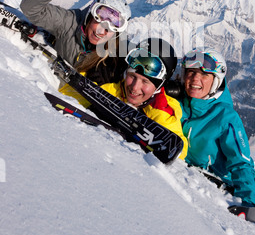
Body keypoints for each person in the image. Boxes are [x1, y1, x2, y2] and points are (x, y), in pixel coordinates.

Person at [60, 37, 188, 160]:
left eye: (145, 82)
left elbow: (178, 150)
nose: (134, 88)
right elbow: (65, 96)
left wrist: (153, 115)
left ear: (159, 86)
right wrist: (87, 72)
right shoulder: (112, 88)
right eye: (132, 76)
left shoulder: (162, 109)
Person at [180, 47, 255, 206]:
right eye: (191, 72)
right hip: (195, 172)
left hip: (225, 177)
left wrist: (247, 202)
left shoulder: (226, 117)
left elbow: (240, 162)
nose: (195, 78)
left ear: (216, 80)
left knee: (254, 182)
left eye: (204, 74)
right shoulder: (178, 103)